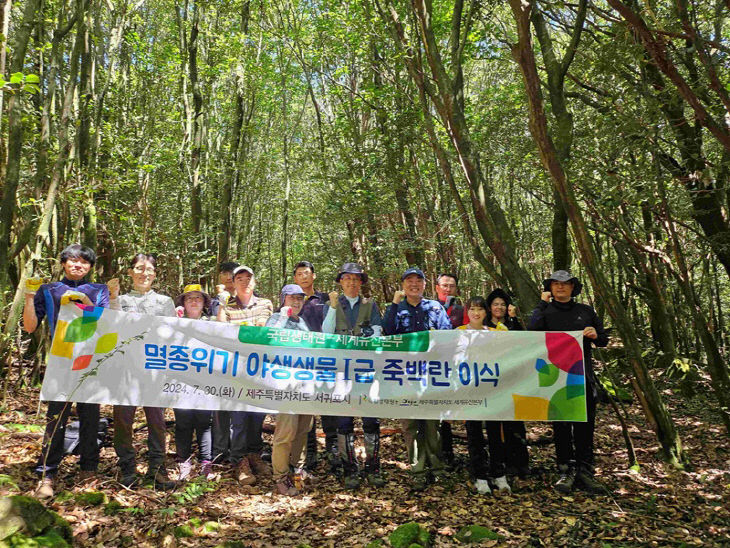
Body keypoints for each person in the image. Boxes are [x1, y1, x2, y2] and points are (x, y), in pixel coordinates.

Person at [22, 244, 110, 499]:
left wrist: (84, 302)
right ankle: (47, 473)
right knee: (55, 416)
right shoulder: (48, 290)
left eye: (84, 262)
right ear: (63, 263)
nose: (78, 265)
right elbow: (30, 327)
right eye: (72, 260)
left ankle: (88, 469)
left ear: (91, 267)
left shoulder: (98, 289)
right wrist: (29, 297)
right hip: (60, 359)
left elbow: (105, 321)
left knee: (90, 414)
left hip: (90, 358)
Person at [527, 270, 608, 494]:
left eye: (565, 283)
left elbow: (603, 340)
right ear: (550, 288)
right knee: (561, 426)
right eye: (555, 284)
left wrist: (594, 335)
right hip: (556, 378)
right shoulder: (545, 311)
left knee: (585, 424)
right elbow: (531, 332)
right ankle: (565, 470)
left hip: (583, 376)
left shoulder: (585, 311)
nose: (560, 287)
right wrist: (541, 305)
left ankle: (586, 471)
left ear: (573, 287)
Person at [108, 253, 177, 489]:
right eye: (138, 268)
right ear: (130, 272)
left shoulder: (165, 302)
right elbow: (112, 326)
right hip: (124, 369)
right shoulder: (120, 299)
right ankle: (127, 468)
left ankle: (157, 469)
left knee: (157, 420)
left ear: (155, 274)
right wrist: (114, 298)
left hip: (154, 369)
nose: (144, 273)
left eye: (149, 269)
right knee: (123, 420)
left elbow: (172, 333)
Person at [382, 267, 452, 491]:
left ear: (425, 284)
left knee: (433, 424)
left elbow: (447, 335)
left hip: (431, 376)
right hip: (405, 377)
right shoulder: (396, 308)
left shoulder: (434, 307)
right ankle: (417, 470)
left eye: (418, 280)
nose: (414, 284)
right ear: (403, 285)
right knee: (411, 425)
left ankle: (437, 467)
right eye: (409, 281)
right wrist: (394, 305)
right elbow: (387, 332)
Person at [321, 263, 385, 489]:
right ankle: (350, 470)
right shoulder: (331, 305)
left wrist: (370, 334)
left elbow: (378, 330)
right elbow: (326, 333)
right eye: (347, 278)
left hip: (366, 370)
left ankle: (373, 467)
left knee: (371, 418)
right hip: (340, 370)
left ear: (361, 283)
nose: (351, 282)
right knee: (344, 420)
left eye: (356, 279)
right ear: (340, 281)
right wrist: (332, 306)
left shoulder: (370, 305)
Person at [459, 292, 525, 496]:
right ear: (467, 312)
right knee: (475, 435)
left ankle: (499, 473)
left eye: (480, 309)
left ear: (485, 311)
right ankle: (479, 476)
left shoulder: (495, 332)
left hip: (494, 393)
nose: (476, 312)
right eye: (472, 309)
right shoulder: (458, 332)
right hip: (469, 392)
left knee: (496, 434)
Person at [217, 265, 273, 485]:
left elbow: (262, 329)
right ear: (233, 282)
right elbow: (221, 332)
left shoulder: (265, 303)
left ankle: (255, 455)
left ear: (254, 282)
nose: (245, 281)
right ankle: (239, 460)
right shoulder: (226, 306)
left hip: (259, 369)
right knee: (237, 419)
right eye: (239, 278)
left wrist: (240, 328)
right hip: (235, 369)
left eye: (248, 278)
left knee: (256, 416)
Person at [265, 284, 315, 495]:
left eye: (300, 299)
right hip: (285, 385)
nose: (296, 302)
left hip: (305, 383)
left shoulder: (302, 322)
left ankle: (297, 469)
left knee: (303, 429)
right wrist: (284, 316)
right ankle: (280, 476)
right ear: (283, 299)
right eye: (292, 298)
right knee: (285, 432)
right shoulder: (276, 318)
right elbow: (269, 338)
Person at [293, 260, 338, 475]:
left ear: (313, 276)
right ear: (295, 278)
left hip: (325, 361)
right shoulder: (290, 301)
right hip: (301, 364)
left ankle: (333, 451)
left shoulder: (325, 300)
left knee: (328, 407)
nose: (303, 276)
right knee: (306, 410)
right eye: (299, 273)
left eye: (307, 273)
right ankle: (310, 454)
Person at [172, 284, 215, 481]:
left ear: (204, 302)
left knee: (204, 422)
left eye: (198, 298)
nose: (194, 301)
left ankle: (206, 462)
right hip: (181, 379)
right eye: (190, 298)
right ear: (183, 303)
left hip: (206, 379)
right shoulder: (173, 323)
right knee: (183, 422)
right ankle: (184, 461)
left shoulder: (213, 323)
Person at [209, 261, 239, 465]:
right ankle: (219, 451)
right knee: (220, 409)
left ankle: (239, 451)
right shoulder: (212, 301)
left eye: (233, 274)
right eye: (225, 273)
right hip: (219, 361)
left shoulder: (245, 299)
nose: (229, 277)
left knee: (240, 407)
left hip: (242, 363)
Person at [434, 273, 465, 468]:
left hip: (457, 366)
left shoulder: (462, 310)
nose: (447, 289)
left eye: (451, 286)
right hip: (434, 366)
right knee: (438, 409)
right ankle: (442, 452)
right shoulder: (429, 308)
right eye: (444, 285)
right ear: (437, 288)